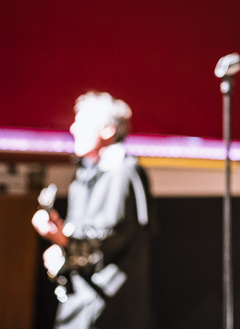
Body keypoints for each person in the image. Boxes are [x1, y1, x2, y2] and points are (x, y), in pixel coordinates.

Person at [31, 91, 154, 329]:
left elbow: (105, 243)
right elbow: (85, 240)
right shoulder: (86, 173)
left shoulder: (119, 172)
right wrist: (62, 249)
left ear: (108, 130)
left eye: (82, 122)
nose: (73, 128)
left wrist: (61, 239)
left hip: (106, 308)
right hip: (85, 300)